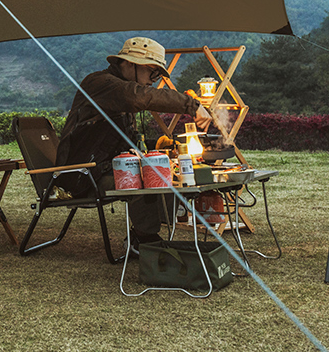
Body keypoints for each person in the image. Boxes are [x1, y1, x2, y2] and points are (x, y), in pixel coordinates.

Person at [55, 36, 212, 248]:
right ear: (129, 64)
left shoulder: (119, 93)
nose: (152, 80)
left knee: (163, 169)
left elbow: (122, 141)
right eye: (152, 72)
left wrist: (157, 147)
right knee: (145, 178)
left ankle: (152, 230)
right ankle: (145, 240)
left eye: (157, 76)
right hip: (80, 175)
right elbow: (139, 97)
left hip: (101, 168)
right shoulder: (100, 83)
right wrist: (191, 105)